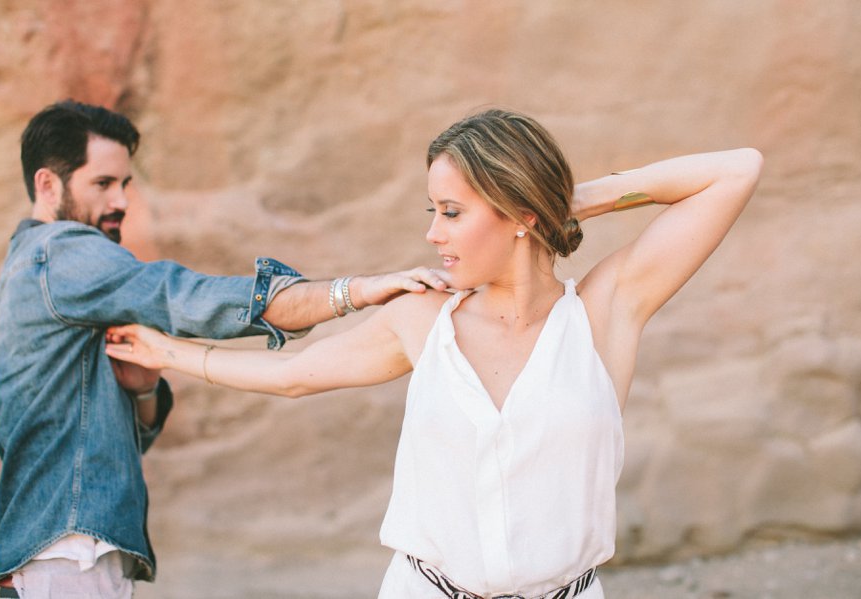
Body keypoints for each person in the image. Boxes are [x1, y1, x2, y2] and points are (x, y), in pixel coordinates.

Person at [106, 109, 763, 598]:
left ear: (516, 212)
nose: (432, 232)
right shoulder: (424, 319)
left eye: (452, 211)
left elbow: (736, 170)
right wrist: (171, 352)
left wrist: (564, 198)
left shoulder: (602, 313)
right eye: (434, 210)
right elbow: (291, 375)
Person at [0, 100, 446, 599]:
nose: (120, 201)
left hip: (61, 553)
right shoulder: (61, 252)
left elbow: (79, 439)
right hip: (67, 558)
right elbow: (179, 294)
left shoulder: (26, 273)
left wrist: (142, 393)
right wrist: (354, 291)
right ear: (48, 185)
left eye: (125, 184)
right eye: (102, 184)